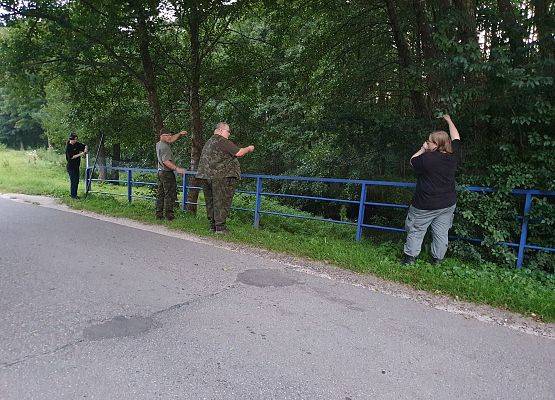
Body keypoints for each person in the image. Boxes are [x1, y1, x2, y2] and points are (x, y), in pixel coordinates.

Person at [402, 114, 462, 265]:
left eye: (428, 142)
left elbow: (412, 161)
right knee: (441, 234)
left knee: (416, 230)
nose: (426, 143)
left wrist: (422, 149)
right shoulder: (453, 155)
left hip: (425, 205)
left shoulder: (427, 158)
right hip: (447, 204)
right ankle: (437, 261)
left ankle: (410, 259)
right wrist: (449, 120)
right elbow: (456, 137)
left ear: (436, 145)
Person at [196, 122, 255, 233]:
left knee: (211, 201)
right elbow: (239, 153)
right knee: (221, 201)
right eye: (228, 131)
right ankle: (220, 227)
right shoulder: (221, 141)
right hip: (220, 176)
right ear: (221, 130)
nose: (229, 134)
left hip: (205, 176)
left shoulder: (209, 142)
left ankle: (213, 226)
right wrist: (249, 148)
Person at [156, 128, 187, 221]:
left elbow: (172, 139)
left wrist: (179, 134)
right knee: (169, 194)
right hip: (167, 173)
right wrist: (177, 169)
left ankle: (159, 215)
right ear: (162, 136)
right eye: (167, 135)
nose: (170, 137)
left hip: (160, 172)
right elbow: (166, 161)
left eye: (170, 135)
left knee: (160, 194)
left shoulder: (159, 144)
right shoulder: (165, 147)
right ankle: (169, 216)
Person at [65, 133, 88, 199]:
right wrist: (81, 154)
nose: (74, 141)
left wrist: (85, 151)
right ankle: (73, 195)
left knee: (77, 180)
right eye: (73, 140)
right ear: (71, 139)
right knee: (73, 180)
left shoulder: (77, 144)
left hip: (77, 166)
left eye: (75, 139)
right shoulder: (68, 147)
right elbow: (72, 157)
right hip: (70, 167)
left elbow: (85, 146)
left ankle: (75, 194)